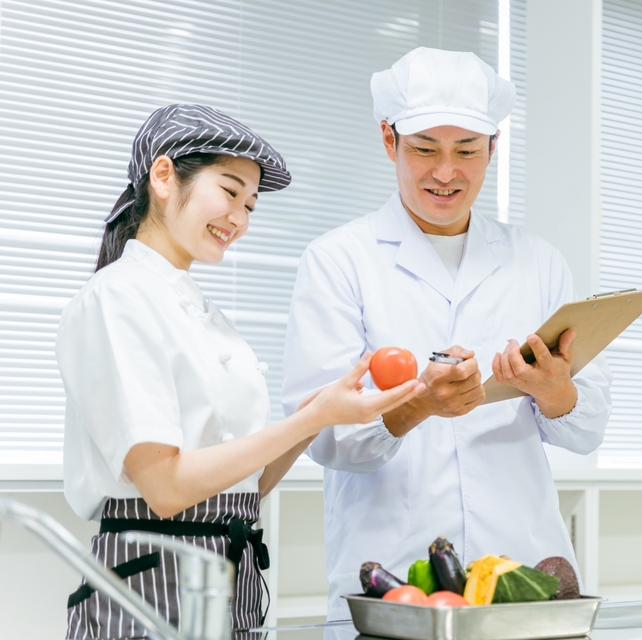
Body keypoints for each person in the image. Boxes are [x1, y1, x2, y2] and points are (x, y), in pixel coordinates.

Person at [56, 104, 423, 638]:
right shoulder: (114, 300)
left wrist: (322, 412)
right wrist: (310, 417)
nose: (240, 219)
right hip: (151, 581)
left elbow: (249, 484)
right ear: (163, 176)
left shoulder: (205, 313)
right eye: (229, 193)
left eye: (250, 205)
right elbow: (164, 486)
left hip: (232, 571)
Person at [282, 48, 612, 620]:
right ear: (389, 142)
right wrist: (418, 407)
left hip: (521, 571)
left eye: (466, 150)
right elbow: (325, 438)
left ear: (493, 148)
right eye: (424, 149)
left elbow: (587, 430)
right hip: (393, 575)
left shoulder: (539, 263)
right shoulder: (339, 260)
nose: (445, 172)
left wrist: (554, 390)